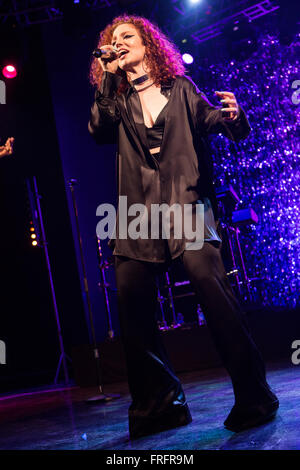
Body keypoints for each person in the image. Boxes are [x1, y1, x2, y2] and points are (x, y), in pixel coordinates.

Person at [88, 15, 279, 439]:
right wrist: (106, 78)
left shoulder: (181, 88)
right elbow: (98, 130)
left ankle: (255, 396)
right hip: (137, 212)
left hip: (186, 204)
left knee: (212, 292)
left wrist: (233, 116)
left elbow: (215, 122)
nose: (118, 44)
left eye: (127, 38)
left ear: (148, 45)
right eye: (112, 41)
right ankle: (160, 405)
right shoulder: (116, 100)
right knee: (132, 301)